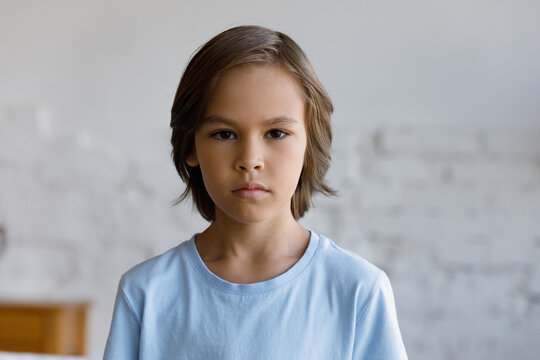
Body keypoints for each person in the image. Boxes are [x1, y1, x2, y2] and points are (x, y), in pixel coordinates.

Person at [103, 25, 407, 359]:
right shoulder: (146, 293)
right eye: (224, 134)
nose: (249, 160)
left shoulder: (358, 291)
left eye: (276, 133)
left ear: (310, 144)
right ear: (191, 145)